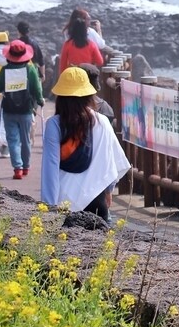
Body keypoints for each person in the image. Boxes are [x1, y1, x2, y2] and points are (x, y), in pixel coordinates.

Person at [41, 67, 131, 221]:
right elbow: (110, 160)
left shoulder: (54, 125)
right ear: (89, 95)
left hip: (65, 201)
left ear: (61, 97)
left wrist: (48, 208)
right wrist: (108, 191)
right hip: (97, 200)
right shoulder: (102, 121)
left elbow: (50, 168)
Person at [0, 38, 44, 179]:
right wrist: (40, 100)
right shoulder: (30, 69)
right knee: (25, 139)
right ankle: (26, 166)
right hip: (26, 109)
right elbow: (36, 88)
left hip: (9, 109)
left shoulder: (5, 69)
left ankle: (17, 168)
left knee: (12, 139)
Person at [16, 20, 47, 92]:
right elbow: (41, 60)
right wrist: (43, 74)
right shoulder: (34, 43)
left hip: (19, 73)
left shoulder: (16, 44)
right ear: (28, 31)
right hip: (34, 71)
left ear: (18, 31)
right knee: (35, 95)